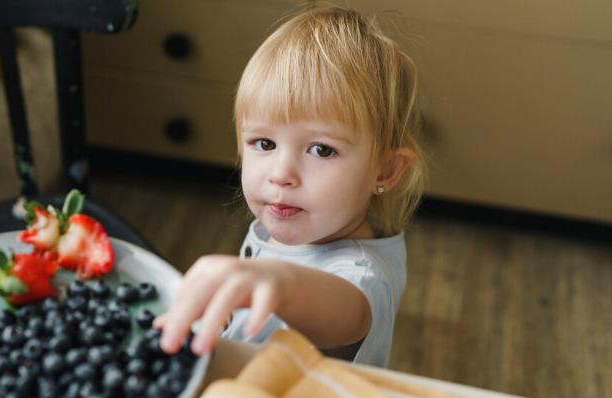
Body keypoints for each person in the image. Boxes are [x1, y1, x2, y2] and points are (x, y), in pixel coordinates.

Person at [154, 5, 426, 368]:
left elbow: (338, 312)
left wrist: (274, 281)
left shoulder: (362, 278)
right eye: (264, 144)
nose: (281, 174)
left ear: (385, 170)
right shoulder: (297, 227)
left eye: (321, 149)